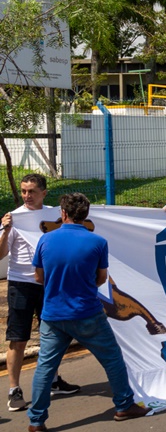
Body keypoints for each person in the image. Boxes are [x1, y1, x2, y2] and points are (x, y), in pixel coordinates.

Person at [28, 193, 150, 430]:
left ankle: (36, 421)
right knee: (112, 359)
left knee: (45, 367)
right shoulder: (98, 242)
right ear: (85, 215)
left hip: (53, 314)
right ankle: (124, 405)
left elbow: (38, 276)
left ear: (63, 213)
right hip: (87, 313)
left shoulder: (46, 240)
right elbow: (102, 278)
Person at [1, 174, 80, 413]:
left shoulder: (55, 215)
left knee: (53, 333)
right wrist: (5, 230)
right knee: (18, 337)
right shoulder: (14, 218)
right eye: (24, 191)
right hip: (21, 284)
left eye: (32, 191)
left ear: (44, 193)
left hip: (50, 283)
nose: (27, 196)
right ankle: (14, 390)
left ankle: (54, 380)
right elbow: (0, 254)